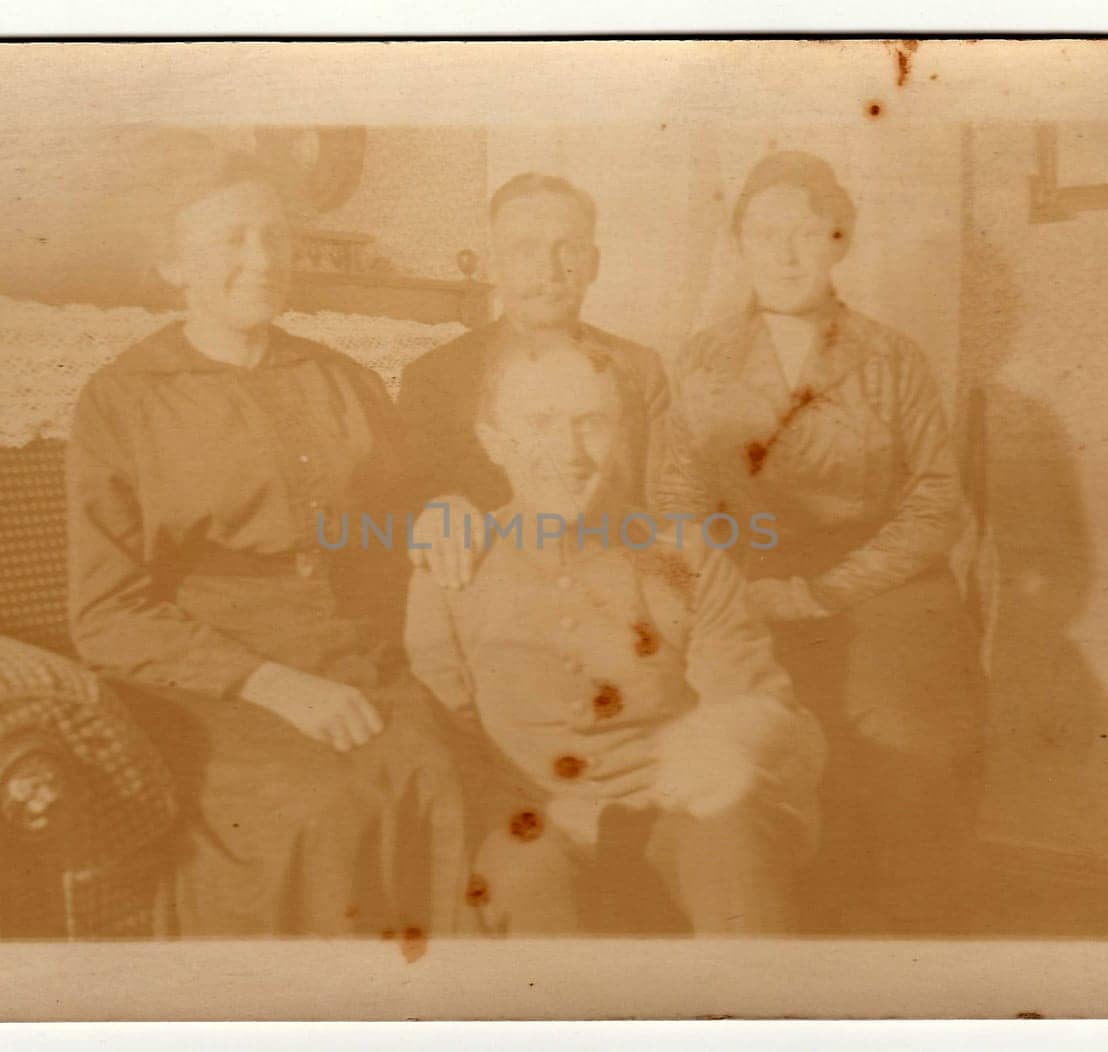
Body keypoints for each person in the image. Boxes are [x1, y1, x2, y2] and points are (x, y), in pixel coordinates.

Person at [65, 137, 465, 937]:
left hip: (353, 650)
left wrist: (445, 502)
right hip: (209, 679)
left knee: (435, 775)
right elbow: (105, 615)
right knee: (321, 806)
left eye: (275, 236)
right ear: (173, 265)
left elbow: (407, 494)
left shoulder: (339, 377)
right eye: (232, 239)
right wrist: (269, 683)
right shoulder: (122, 400)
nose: (262, 259)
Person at [662, 151, 985, 931]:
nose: (784, 252)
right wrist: (723, 590)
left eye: (806, 233)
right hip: (742, 581)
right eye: (764, 233)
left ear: (841, 241)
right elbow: (679, 499)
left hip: (883, 584)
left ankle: (904, 958)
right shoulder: (700, 361)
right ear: (738, 242)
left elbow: (936, 503)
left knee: (905, 740)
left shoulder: (891, 357)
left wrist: (822, 591)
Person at [403, 341, 825, 935]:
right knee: (519, 883)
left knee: (733, 844)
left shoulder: (682, 556)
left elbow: (751, 697)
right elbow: (442, 733)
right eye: (539, 424)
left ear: (625, 435)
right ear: (493, 442)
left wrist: (728, 739)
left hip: (677, 807)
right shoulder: (453, 566)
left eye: (591, 424)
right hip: (530, 815)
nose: (568, 452)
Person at [397, 172, 702, 589]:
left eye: (568, 249)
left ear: (594, 263)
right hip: (487, 598)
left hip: (612, 591)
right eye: (526, 250)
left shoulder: (639, 369)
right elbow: (407, 506)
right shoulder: (435, 377)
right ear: (496, 263)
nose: (550, 270)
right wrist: (442, 501)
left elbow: (669, 509)